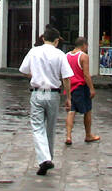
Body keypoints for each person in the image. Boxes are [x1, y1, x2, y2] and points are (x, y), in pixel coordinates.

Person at [19, 26, 73, 175]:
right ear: (56, 41)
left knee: (37, 126)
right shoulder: (60, 54)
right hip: (53, 94)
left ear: (43, 38)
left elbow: (23, 71)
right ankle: (47, 158)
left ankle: (44, 159)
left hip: (37, 92)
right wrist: (68, 97)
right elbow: (66, 78)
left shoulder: (34, 51)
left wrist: (35, 76)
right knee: (50, 127)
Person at [63, 37, 100, 146]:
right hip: (80, 86)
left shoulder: (67, 55)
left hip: (70, 86)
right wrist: (92, 88)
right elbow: (86, 74)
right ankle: (88, 134)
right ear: (84, 45)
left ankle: (68, 136)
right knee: (88, 110)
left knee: (71, 111)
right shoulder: (83, 56)